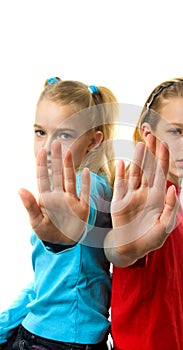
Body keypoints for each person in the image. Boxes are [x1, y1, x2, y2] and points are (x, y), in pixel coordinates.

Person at [0, 77, 119, 349]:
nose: (47, 146)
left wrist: (66, 235)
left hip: (60, 339)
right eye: (40, 132)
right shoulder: (61, 191)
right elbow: (45, 283)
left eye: (64, 135)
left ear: (92, 142)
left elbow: (82, 221)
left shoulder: (88, 187)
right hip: (47, 330)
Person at [104, 77, 183, 350]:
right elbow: (121, 252)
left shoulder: (172, 194)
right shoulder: (139, 197)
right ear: (147, 134)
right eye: (176, 131)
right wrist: (125, 245)